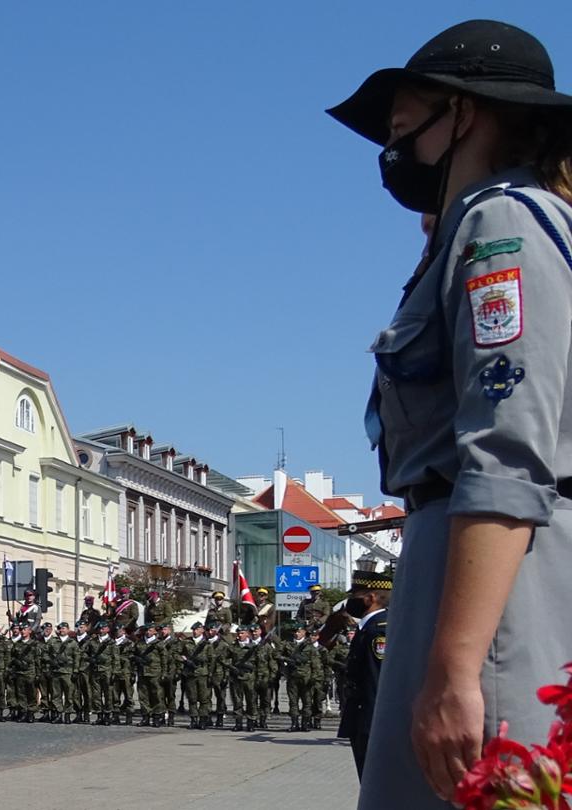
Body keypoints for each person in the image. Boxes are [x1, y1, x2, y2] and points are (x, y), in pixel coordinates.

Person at [327, 19, 572, 808]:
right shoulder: (484, 225)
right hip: (470, 558)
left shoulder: (500, 223)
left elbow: (506, 454)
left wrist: (458, 666)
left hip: (493, 575)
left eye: (403, 128)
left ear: (463, 113)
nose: (392, 153)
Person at [339, 569, 394, 777]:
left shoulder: (377, 630)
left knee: (374, 781)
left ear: (370, 598)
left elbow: (376, 679)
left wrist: (373, 726)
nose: (350, 601)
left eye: (355, 595)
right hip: (366, 718)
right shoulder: (372, 626)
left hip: (370, 721)